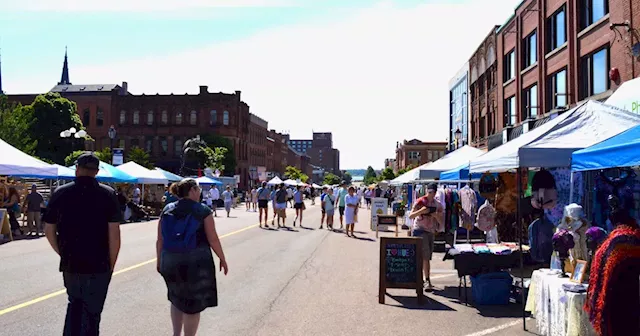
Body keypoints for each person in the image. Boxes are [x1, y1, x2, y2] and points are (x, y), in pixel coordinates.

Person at [43, 153, 122, 336]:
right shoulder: (108, 194)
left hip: (71, 260)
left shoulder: (61, 193)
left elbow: (48, 229)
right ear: (96, 171)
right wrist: (112, 262)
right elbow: (114, 234)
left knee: (75, 306)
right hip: (99, 261)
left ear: (77, 169)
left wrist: (61, 251)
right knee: (92, 312)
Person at [156, 178, 228, 336]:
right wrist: (222, 258)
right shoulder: (202, 210)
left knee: (176, 298)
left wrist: (159, 260)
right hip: (195, 262)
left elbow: (160, 239)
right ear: (193, 191)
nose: (200, 192)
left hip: (169, 259)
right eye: (198, 189)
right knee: (192, 306)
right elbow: (213, 238)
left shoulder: (167, 209)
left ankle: (176, 334)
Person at [408, 182, 443, 292]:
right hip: (419, 230)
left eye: (432, 192)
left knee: (427, 257)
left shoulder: (437, 204)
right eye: (429, 192)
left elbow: (441, 221)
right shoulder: (420, 201)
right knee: (425, 256)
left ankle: (422, 279)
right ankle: (426, 280)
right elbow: (411, 215)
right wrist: (422, 211)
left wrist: (435, 215)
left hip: (430, 231)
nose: (430, 194)